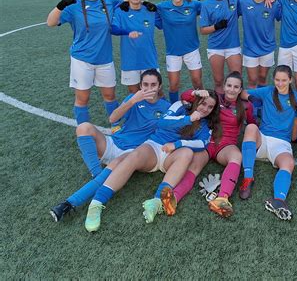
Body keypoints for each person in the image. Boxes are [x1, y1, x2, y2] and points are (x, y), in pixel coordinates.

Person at [84, 91, 221, 232]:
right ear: (197, 100)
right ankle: (96, 203)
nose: (205, 109)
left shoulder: (207, 125)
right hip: (155, 147)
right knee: (134, 155)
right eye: (203, 103)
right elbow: (162, 122)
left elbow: (201, 143)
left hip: (172, 156)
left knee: (187, 152)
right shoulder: (180, 106)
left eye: (210, 107)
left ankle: (156, 201)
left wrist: (177, 144)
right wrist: (188, 119)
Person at [49, 70, 171, 221]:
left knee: (115, 164)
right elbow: (113, 118)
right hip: (114, 143)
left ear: (159, 87)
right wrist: (133, 101)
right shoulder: (133, 98)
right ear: (140, 86)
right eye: (145, 84)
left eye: (153, 85)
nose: (149, 88)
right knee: (83, 128)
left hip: (132, 152)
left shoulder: (166, 107)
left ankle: (69, 204)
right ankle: (97, 173)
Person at [167, 72, 256, 218]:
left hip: (226, 146)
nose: (231, 90)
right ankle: (173, 198)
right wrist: (196, 92)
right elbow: (185, 96)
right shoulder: (215, 99)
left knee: (237, 156)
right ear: (224, 86)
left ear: (240, 90)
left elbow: (252, 123)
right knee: (194, 166)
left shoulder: (246, 106)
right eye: (229, 85)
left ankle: (222, 199)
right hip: (207, 142)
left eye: (236, 87)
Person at [46, 0, 124, 125]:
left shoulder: (110, 2)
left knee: (110, 96)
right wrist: (60, 6)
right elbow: (51, 22)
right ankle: (83, 131)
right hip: (82, 59)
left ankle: (116, 127)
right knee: (82, 98)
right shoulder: (73, 5)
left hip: (105, 59)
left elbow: (133, 3)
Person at [239, 65, 297, 221]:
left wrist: (294, 137)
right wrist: (250, 98)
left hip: (281, 143)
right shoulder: (267, 91)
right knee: (252, 127)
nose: (280, 83)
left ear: (290, 80)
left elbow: (296, 121)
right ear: (273, 79)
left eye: (284, 80)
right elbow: (242, 92)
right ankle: (248, 178)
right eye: (277, 80)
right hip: (263, 139)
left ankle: (279, 200)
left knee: (288, 163)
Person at [156, 0, 203, 103]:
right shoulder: (161, 7)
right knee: (173, 85)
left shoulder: (194, 5)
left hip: (192, 50)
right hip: (172, 52)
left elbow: (210, 6)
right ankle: (174, 107)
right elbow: (155, 20)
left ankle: (201, 104)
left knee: (197, 82)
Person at [112, 0, 160, 93]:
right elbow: (113, 29)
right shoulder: (120, 11)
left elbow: (163, 23)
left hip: (149, 59)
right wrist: (128, 32)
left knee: (155, 93)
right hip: (130, 61)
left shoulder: (151, 10)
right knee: (135, 95)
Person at [200, 0, 243, 94]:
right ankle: (220, 107)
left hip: (233, 46)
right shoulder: (207, 4)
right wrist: (216, 26)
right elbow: (203, 30)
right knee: (219, 81)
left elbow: (251, 1)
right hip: (216, 47)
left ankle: (237, 108)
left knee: (237, 80)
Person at [239, 0, 282, 89]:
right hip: (250, 48)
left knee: (263, 78)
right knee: (252, 80)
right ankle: (252, 104)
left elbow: (283, 12)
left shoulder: (273, 3)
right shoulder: (243, 2)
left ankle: (260, 103)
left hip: (267, 47)